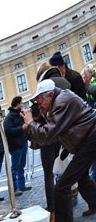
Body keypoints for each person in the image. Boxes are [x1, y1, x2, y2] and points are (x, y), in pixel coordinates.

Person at [22, 79, 96, 221]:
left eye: (40, 101)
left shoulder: (61, 101)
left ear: (50, 95)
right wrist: (33, 124)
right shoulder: (58, 101)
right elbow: (49, 131)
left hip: (89, 139)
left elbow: (47, 135)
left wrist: (31, 124)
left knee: (61, 187)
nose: (39, 105)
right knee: (82, 177)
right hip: (87, 139)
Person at [34, 62, 70, 211]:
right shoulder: (65, 81)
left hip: (49, 135)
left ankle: (52, 206)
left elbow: (40, 112)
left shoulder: (46, 87)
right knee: (67, 171)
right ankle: (69, 203)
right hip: (63, 134)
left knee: (49, 174)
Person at [4, 96, 31, 194]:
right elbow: (8, 131)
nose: (22, 104)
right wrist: (21, 128)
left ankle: (21, 185)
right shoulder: (9, 117)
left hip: (23, 143)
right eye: (21, 102)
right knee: (15, 167)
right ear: (18, 104)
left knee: (21, 165)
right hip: (15, 146)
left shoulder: (20, 114)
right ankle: (14, 189)